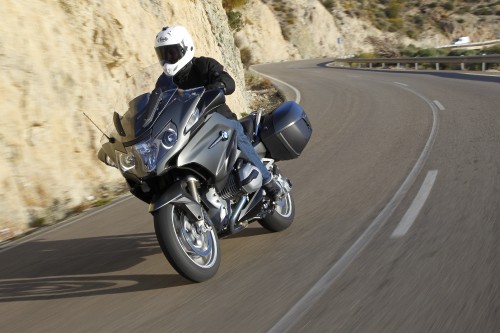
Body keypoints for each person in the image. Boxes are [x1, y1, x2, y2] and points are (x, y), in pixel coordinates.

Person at [153, 25, 284, 200]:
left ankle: (269, 182)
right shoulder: (164, 82)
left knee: (235, 133)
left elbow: (227, 80)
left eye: (172, 53)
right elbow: (157, 102)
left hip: (219, 119)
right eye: (163, 54)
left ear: (185, 48)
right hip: (187, 131)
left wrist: (220, 85)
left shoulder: (204, 65)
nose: (168, 59)